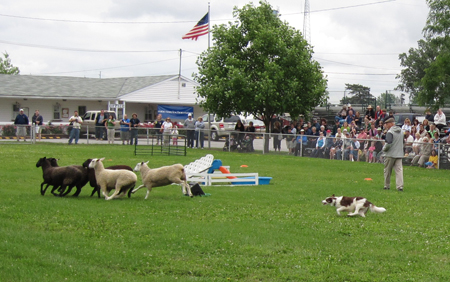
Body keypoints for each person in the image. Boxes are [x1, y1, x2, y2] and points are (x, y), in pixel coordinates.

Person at [382, 118, 404, 191]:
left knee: (387, 171)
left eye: (387, 123)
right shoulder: (401, 131)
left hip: (390, 154)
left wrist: (384, 149)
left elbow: (388, 143)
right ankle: (400, 186)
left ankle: (386, 185)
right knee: (399, 171)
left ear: (391, 123)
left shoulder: (390, 132)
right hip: (399, 154)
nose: (386, 125)